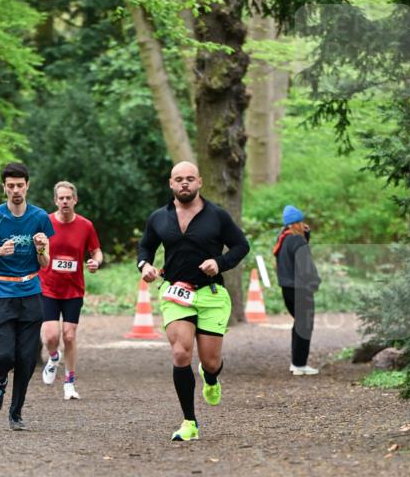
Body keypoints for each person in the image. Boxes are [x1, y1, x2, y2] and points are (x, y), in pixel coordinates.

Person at [137, 161, 249, 442]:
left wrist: (219, 262)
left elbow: (241, 246)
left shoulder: (217, 216)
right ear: (171, 184)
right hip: (176, 293)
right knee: (180, 353)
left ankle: (210, 377)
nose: (184, 183)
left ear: (199, 182)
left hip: (211, 293)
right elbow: (146, 247)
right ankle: (190, 422)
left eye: (189, 179)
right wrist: (144, 265)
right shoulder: (159, 218)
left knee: (211, 362)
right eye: (178, 179)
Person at [0, 162, 55, 430]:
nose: (16, 190)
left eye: (20, 185)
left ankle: (16, 413)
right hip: (2, 293)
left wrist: (41, 249)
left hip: (31, 293)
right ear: (4, 188)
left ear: (27, 186)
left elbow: (45, 263)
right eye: (11, 186)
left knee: (27, 359)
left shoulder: (40, 217)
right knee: (5, 356)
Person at [40, 181, 103, 400]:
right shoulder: (45, 222)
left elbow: (96, 251)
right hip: (48, 287)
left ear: (75, 200)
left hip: (73, 289)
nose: (65, 201)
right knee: (51, 336)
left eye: (69, 198)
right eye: (61, 198)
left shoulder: (85, 225)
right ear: (55, 200)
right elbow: (36, 249)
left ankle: (69, 382)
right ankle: (53, 357)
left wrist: (95, 262)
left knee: (69, 335)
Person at [273, 204, 321, 376]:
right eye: (302, 221)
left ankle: (297, 363)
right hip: (300, 288)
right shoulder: (297, 240)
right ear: (298, 223)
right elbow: (305, 265)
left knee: (299, 324)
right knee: (305, 325)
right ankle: (300, 364)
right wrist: (315, 282)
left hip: (287, 288)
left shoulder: (283, 238)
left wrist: (306, 235)